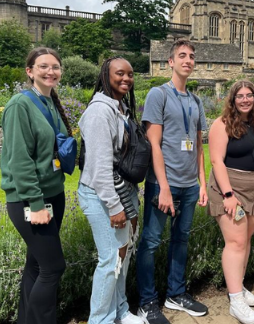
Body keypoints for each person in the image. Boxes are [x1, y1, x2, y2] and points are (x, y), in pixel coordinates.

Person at [136, 38, 209, 324]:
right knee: (151, 242)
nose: (188, 60)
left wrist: (202, 183)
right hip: (162, 185)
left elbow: (199, 144)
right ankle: (146, 302)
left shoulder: (196, 99)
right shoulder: (158, 94)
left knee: (181, 240)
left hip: (190, 185)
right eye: (182, 56)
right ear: (170, 62)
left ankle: (175, 293)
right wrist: (163, 187)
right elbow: (154, 144)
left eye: (191, 56)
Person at [1, 47, 71, 324]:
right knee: (53, 268)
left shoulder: (50, 102)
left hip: (54, 193)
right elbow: (19, 160)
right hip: (31, 201)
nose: (50, 71)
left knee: (36, 266)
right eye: (43, 66)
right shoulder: (20, 105)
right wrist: (36, 203)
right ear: (30, 71)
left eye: (55, 66)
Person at [78, 57, 145, 324]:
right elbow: (100, 166)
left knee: (123, 256)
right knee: (109, 261)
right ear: (106, 75)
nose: (126, 79)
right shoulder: (99, 111)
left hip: (124, 192)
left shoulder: (121, 108)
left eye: (130, 74)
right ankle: (100, 320)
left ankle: (120, 311)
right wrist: (115, 207)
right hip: (102, 195)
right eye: (120, 73)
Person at [206, 81, 254, 323]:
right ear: (232, 100)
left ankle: (238, 286)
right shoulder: (221, 124)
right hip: (230, 188)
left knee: (244, 242)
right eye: (240, 96)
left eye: (249, 96)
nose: (245, 100)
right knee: (235, 243)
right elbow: (216, 162)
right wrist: (228, 195)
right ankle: (235, 301)